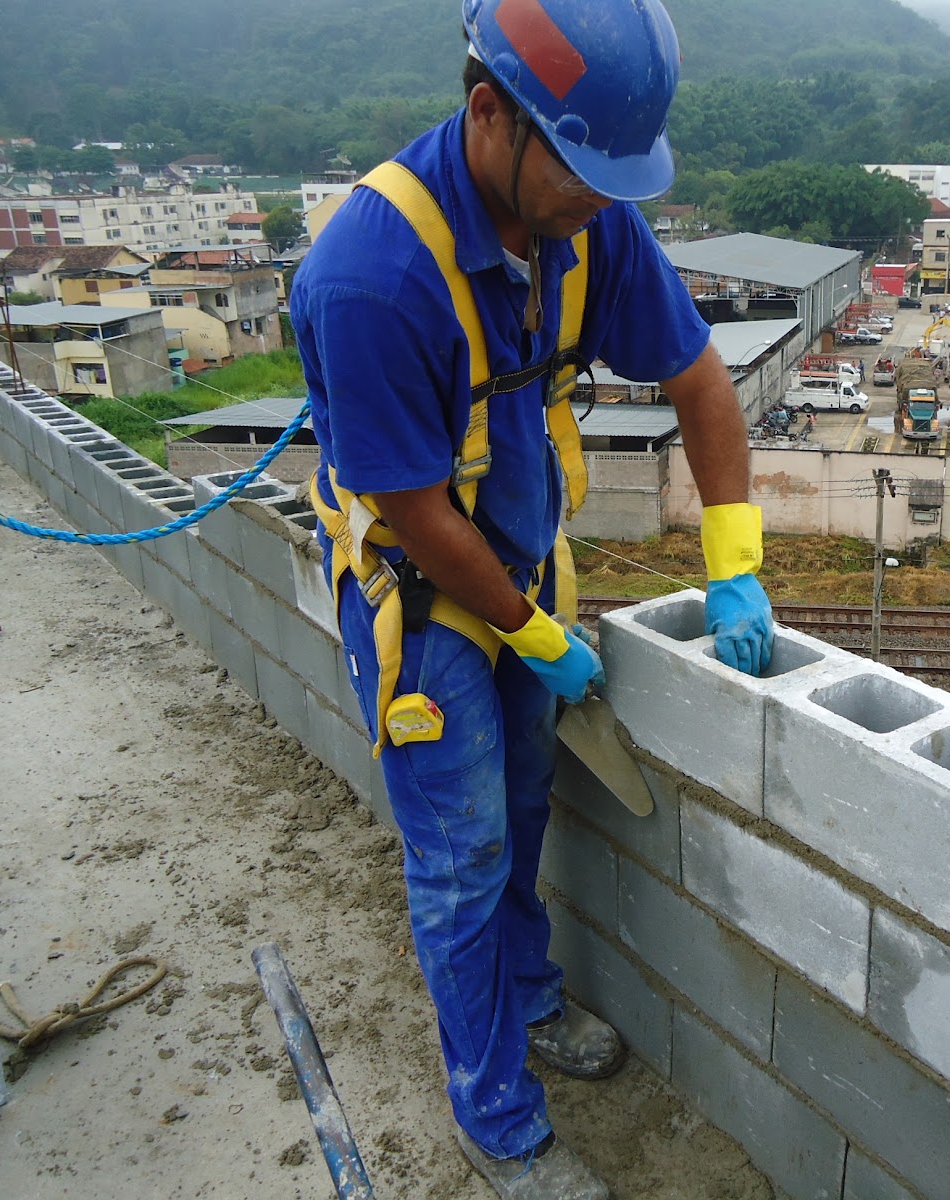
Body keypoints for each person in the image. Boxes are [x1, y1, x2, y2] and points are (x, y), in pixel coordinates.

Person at [289, 2, 774, 1196]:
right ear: (487, 110)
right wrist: (531, 632)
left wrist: (733, 559)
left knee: (523, 810)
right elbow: (410, 507)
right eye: (582, 172)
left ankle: (532, 999)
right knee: (460, 854)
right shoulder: (370, 276)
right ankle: (497, 1118)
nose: (602, 202)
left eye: (620, 177)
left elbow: (700, 379)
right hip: (424, 585)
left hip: (518, 564)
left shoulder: (588, 219)